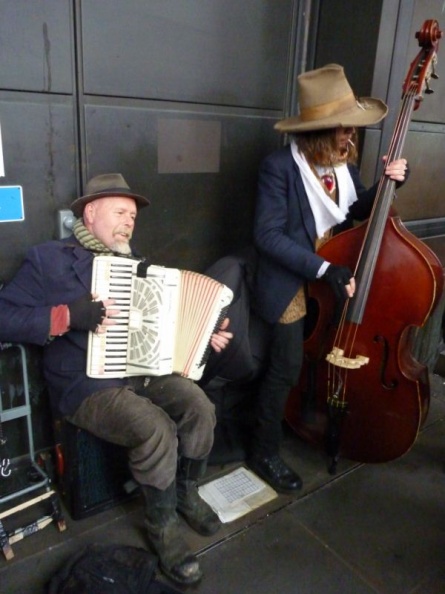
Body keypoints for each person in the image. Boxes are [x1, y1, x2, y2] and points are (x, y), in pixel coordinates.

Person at [0, 173, 233, 586]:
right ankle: (162, 527)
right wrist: (67, 316)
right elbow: (4, 316)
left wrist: (203, 334)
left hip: (140, 373)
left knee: (200, 407)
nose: (129, 222)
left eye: (133, 216)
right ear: (90, 213)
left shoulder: (136, 263)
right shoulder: (48, 259)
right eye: (121, 212)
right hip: (86, 384)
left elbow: (167, 325)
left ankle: (185, 493)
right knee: (155, 428)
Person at [248, 64, 409, 494]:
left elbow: (355, 211)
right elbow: (266, 235)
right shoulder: (279, 167)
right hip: (291, 279)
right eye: (343, 129)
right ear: (320, 131)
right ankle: (262, 451)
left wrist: (387, 186)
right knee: (285, 367)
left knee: (323, 354)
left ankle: (310, 420)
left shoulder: (340, 165)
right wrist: (324, 269)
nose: (350, 137)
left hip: (330, 275)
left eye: (352, 129)